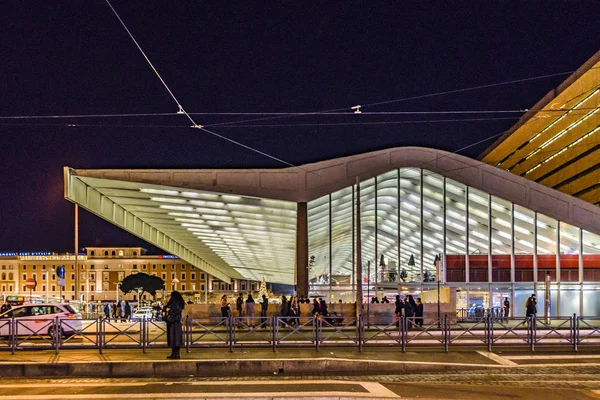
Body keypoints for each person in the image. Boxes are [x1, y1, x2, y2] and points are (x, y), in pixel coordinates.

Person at [165, 291, 184, 359]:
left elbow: (175, 311)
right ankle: (174, 353)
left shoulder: (175, 303)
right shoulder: (178, 302)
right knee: (175, 338)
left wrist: (169, 311)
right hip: (176, 322)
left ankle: (175, 354)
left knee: (174, 338)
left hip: (174, 322)